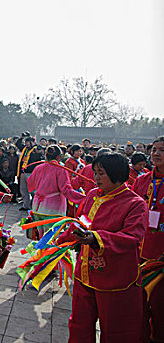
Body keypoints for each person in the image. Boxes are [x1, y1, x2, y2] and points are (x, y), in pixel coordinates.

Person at [57, 153, 148, 342]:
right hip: (84, 273)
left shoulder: (135, 204)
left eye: (101, 174)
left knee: (116, 329)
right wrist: (60, 239)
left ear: (117, 175)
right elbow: (81, 222)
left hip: (114, 279)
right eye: (95, 173)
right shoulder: (92, 195)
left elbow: (132, 238)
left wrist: (95, 238)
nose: (95, 178)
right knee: (79, 325)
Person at [132, 136, 164, 343]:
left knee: (161, 307)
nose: (156, 153)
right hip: (138, 253)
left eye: (162, 150)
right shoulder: (142, 180)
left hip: (161, 257)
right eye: (154, 149)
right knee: (138, 304)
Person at [27, 146, 85, 236]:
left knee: (41, 236)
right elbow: (66, 190)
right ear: (59, 157)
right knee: (51, 239)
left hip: (37, 207)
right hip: (53, 209)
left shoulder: (38, 168)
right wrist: (84, 198)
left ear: (46, 155)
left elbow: (30, 186)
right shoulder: (61, 169)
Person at [17, 137, 43, 210]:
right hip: (23, 172)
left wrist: (37, 150)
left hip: (31, 173)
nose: (27, 143)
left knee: (32, 191)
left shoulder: (35, 149)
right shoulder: (25, 149)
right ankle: (26, 205)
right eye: (26, 142)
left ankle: (35, 206)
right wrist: (22, 137)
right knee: (23, 190)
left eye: (29, 142)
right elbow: (18, 144)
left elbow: (40, 156)